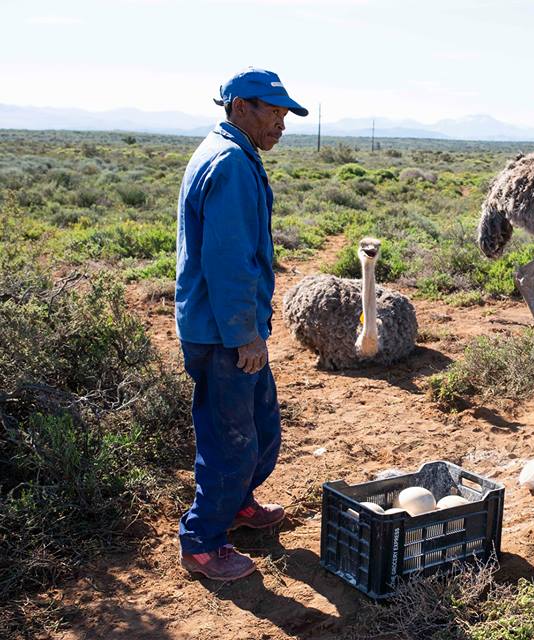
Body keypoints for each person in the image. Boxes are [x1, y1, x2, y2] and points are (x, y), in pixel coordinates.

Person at [175, 68, 309, 581]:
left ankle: (238, 505)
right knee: (231, 440)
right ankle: (203, 542)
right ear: (239, 107)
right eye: (272, 112)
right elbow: (228, 260)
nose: (281, 123)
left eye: (284, 114)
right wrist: (244, 335)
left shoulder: (233, 151)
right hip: (222, 332)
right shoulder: (229, 161)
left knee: (260, 428)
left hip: (230, 326)